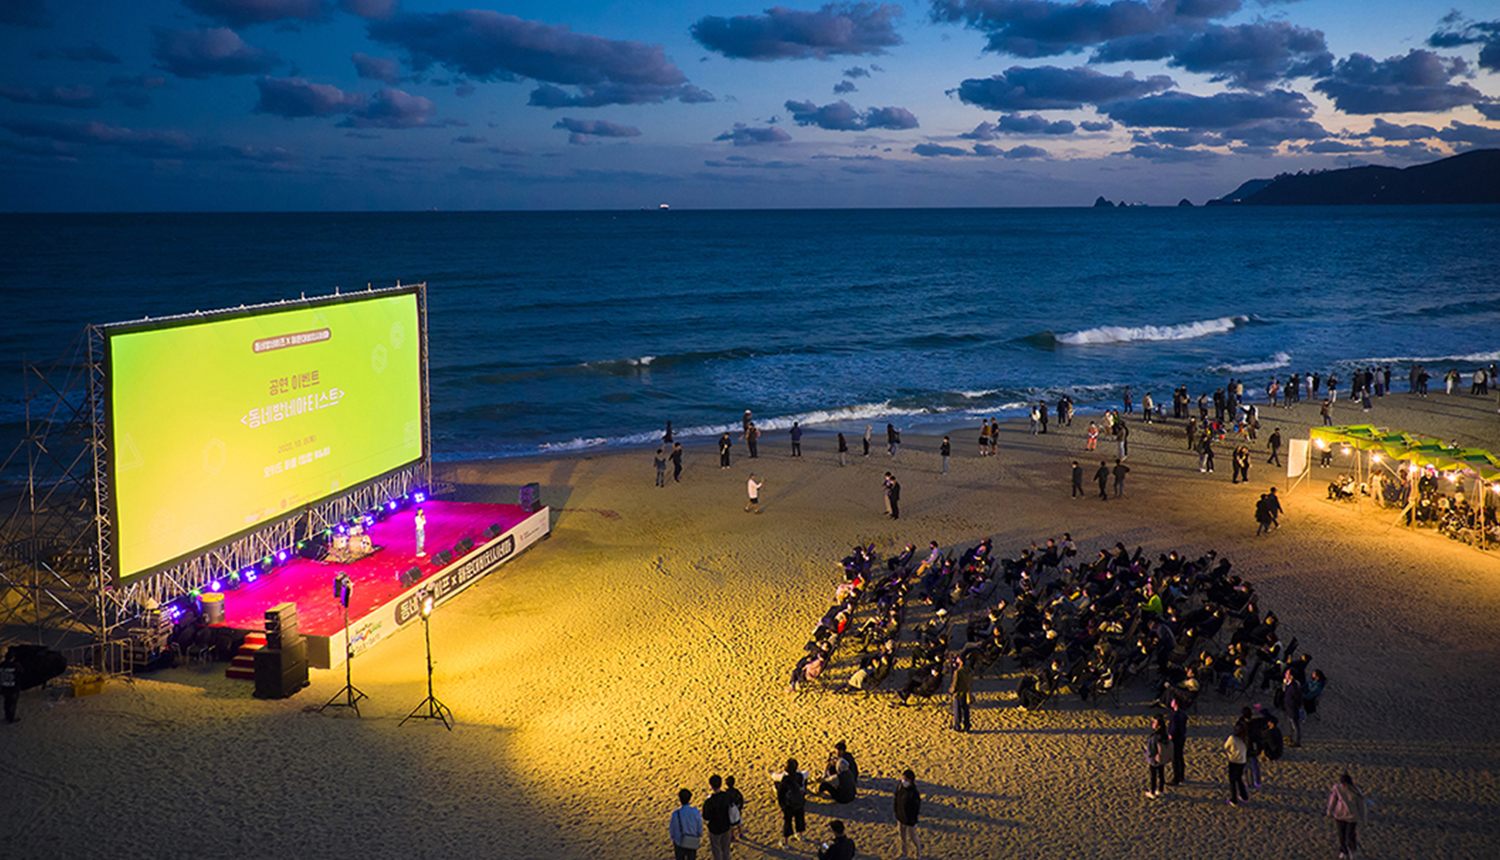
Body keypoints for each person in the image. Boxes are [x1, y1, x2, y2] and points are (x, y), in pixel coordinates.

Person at [1325, 772, 1369, 859]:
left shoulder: (1356, 791)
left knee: (1350, 836)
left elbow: (1361, 806)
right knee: (1341, 835)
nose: (1345, 786)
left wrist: (1363, 819)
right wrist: (1329, 812)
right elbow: (1332, 801)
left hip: (1352, 817)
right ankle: (1343, 851)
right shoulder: (1337, 788)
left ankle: (1352, 852)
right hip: (1340, 815)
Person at [772, 760, 808, 848]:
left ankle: (786, 842)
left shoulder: (785, 780)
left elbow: (780, 795)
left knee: (788, 822)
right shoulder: (799, 776)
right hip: (799, 802)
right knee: (800, 818)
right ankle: (800, 836)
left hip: (789, 805)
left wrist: (783, 806)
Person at [702, 775, 735, 860]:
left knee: (716, 851)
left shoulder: (710, 802)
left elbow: (706, 816)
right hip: (726, 826)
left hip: (715, 829)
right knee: (726, 850)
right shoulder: (727, 796)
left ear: (711, 786)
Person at [894, 769, 922, 859]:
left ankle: (918, 853)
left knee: (913, 837)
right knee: (902, 837)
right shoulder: (900, 787)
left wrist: (911, 819)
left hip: (910, 820)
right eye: (903, 779)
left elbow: (915, 808)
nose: (904, 781)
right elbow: (896, 799)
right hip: (901, 817)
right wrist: (897, 812)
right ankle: (904, 852)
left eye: (906, 780)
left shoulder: (913, 793)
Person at [671, 788, 705, 860]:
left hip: (679, 841)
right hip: (692, 839)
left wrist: (673, 837)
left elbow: (672, 828)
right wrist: (699, 834)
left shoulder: (675, 813)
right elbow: (699, 824)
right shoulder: (695, 811)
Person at [1146, 715, 1172, 798]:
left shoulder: (1154, 737)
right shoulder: (1164, 736)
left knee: (1153, 776)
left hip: (1154, 759)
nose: (1153, 723)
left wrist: (1150, 758)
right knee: (1161, 775)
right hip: (1161, 758)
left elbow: (1151, 749)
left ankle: (1152, 792)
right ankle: (1160, 790)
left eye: (1155, 722)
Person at [1225, 723, 1250, 806]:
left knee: (1232, 780)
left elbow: (1225, 746)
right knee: (1239, 778)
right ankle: (1244, 796)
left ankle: (1233, 799)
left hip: (1234, 760)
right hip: (1242, 760)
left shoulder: (1232, 738)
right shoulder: (1245, 738)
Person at [1167, 695, 1188, 785]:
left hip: (1176, 737)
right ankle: (1181, 775)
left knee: (1175, 758)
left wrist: (1171, 735)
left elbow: (1174, 727)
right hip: (1181, 737)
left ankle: (1176, 778)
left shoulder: (1175, 715)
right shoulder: (1182, 714)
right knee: (1180, 756)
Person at [950, 653, 973, 732]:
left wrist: (951, 690)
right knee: (965, 709)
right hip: (966, 692)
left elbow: (955, 684)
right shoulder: (968, 670)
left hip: (959, 692)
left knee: (957, 710)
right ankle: (967, 725)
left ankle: (957, 726)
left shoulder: (958, 672)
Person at [723, 775, 745, 843]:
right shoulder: (736, 792)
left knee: (731, 825)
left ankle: (732, 836)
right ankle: (740, 833)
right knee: (739, 822)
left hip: (730, 811)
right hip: (737, 809)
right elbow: (741, 800)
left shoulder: (726, 794)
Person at [1, 648, 19, 724]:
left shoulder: (1, 665)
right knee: (12, 703)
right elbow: (20, 674)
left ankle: (7, 716)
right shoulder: (15, 665)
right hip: (12, 687)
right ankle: (11, 718)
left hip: (4, 686)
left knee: (6, 702)